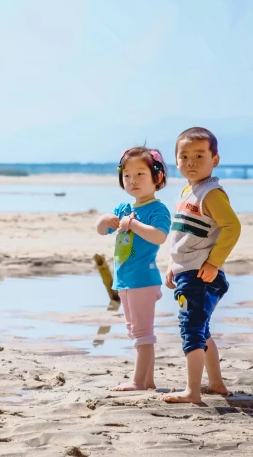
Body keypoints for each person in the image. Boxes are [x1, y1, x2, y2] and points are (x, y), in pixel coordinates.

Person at [162, 127, 241, 404]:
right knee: (201, 329)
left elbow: (232, 227)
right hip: (187, 273)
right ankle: (217, 384)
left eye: (199, 155)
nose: (191, 162)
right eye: (184, 156)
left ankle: (192, 392)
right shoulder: (187, 191)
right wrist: (173, 263)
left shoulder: (211, 193)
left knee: (191, 330)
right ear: (176, 160)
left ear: (214, 160)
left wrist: (213, 263)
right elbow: (180, 235)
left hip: (200, 276)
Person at [95, 147, 171, 391]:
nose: (133, 181)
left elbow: (159, 236)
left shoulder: (157, 210)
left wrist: (135, 224)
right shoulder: (124, 208)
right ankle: (148, 381)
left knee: (142, 333)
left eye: (140, 174)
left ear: (157, 178)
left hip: (143, 279)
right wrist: (106, 220)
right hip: (124, 280)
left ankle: (138, 382)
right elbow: (101, 230)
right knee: (133, 330)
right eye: (127, 175)